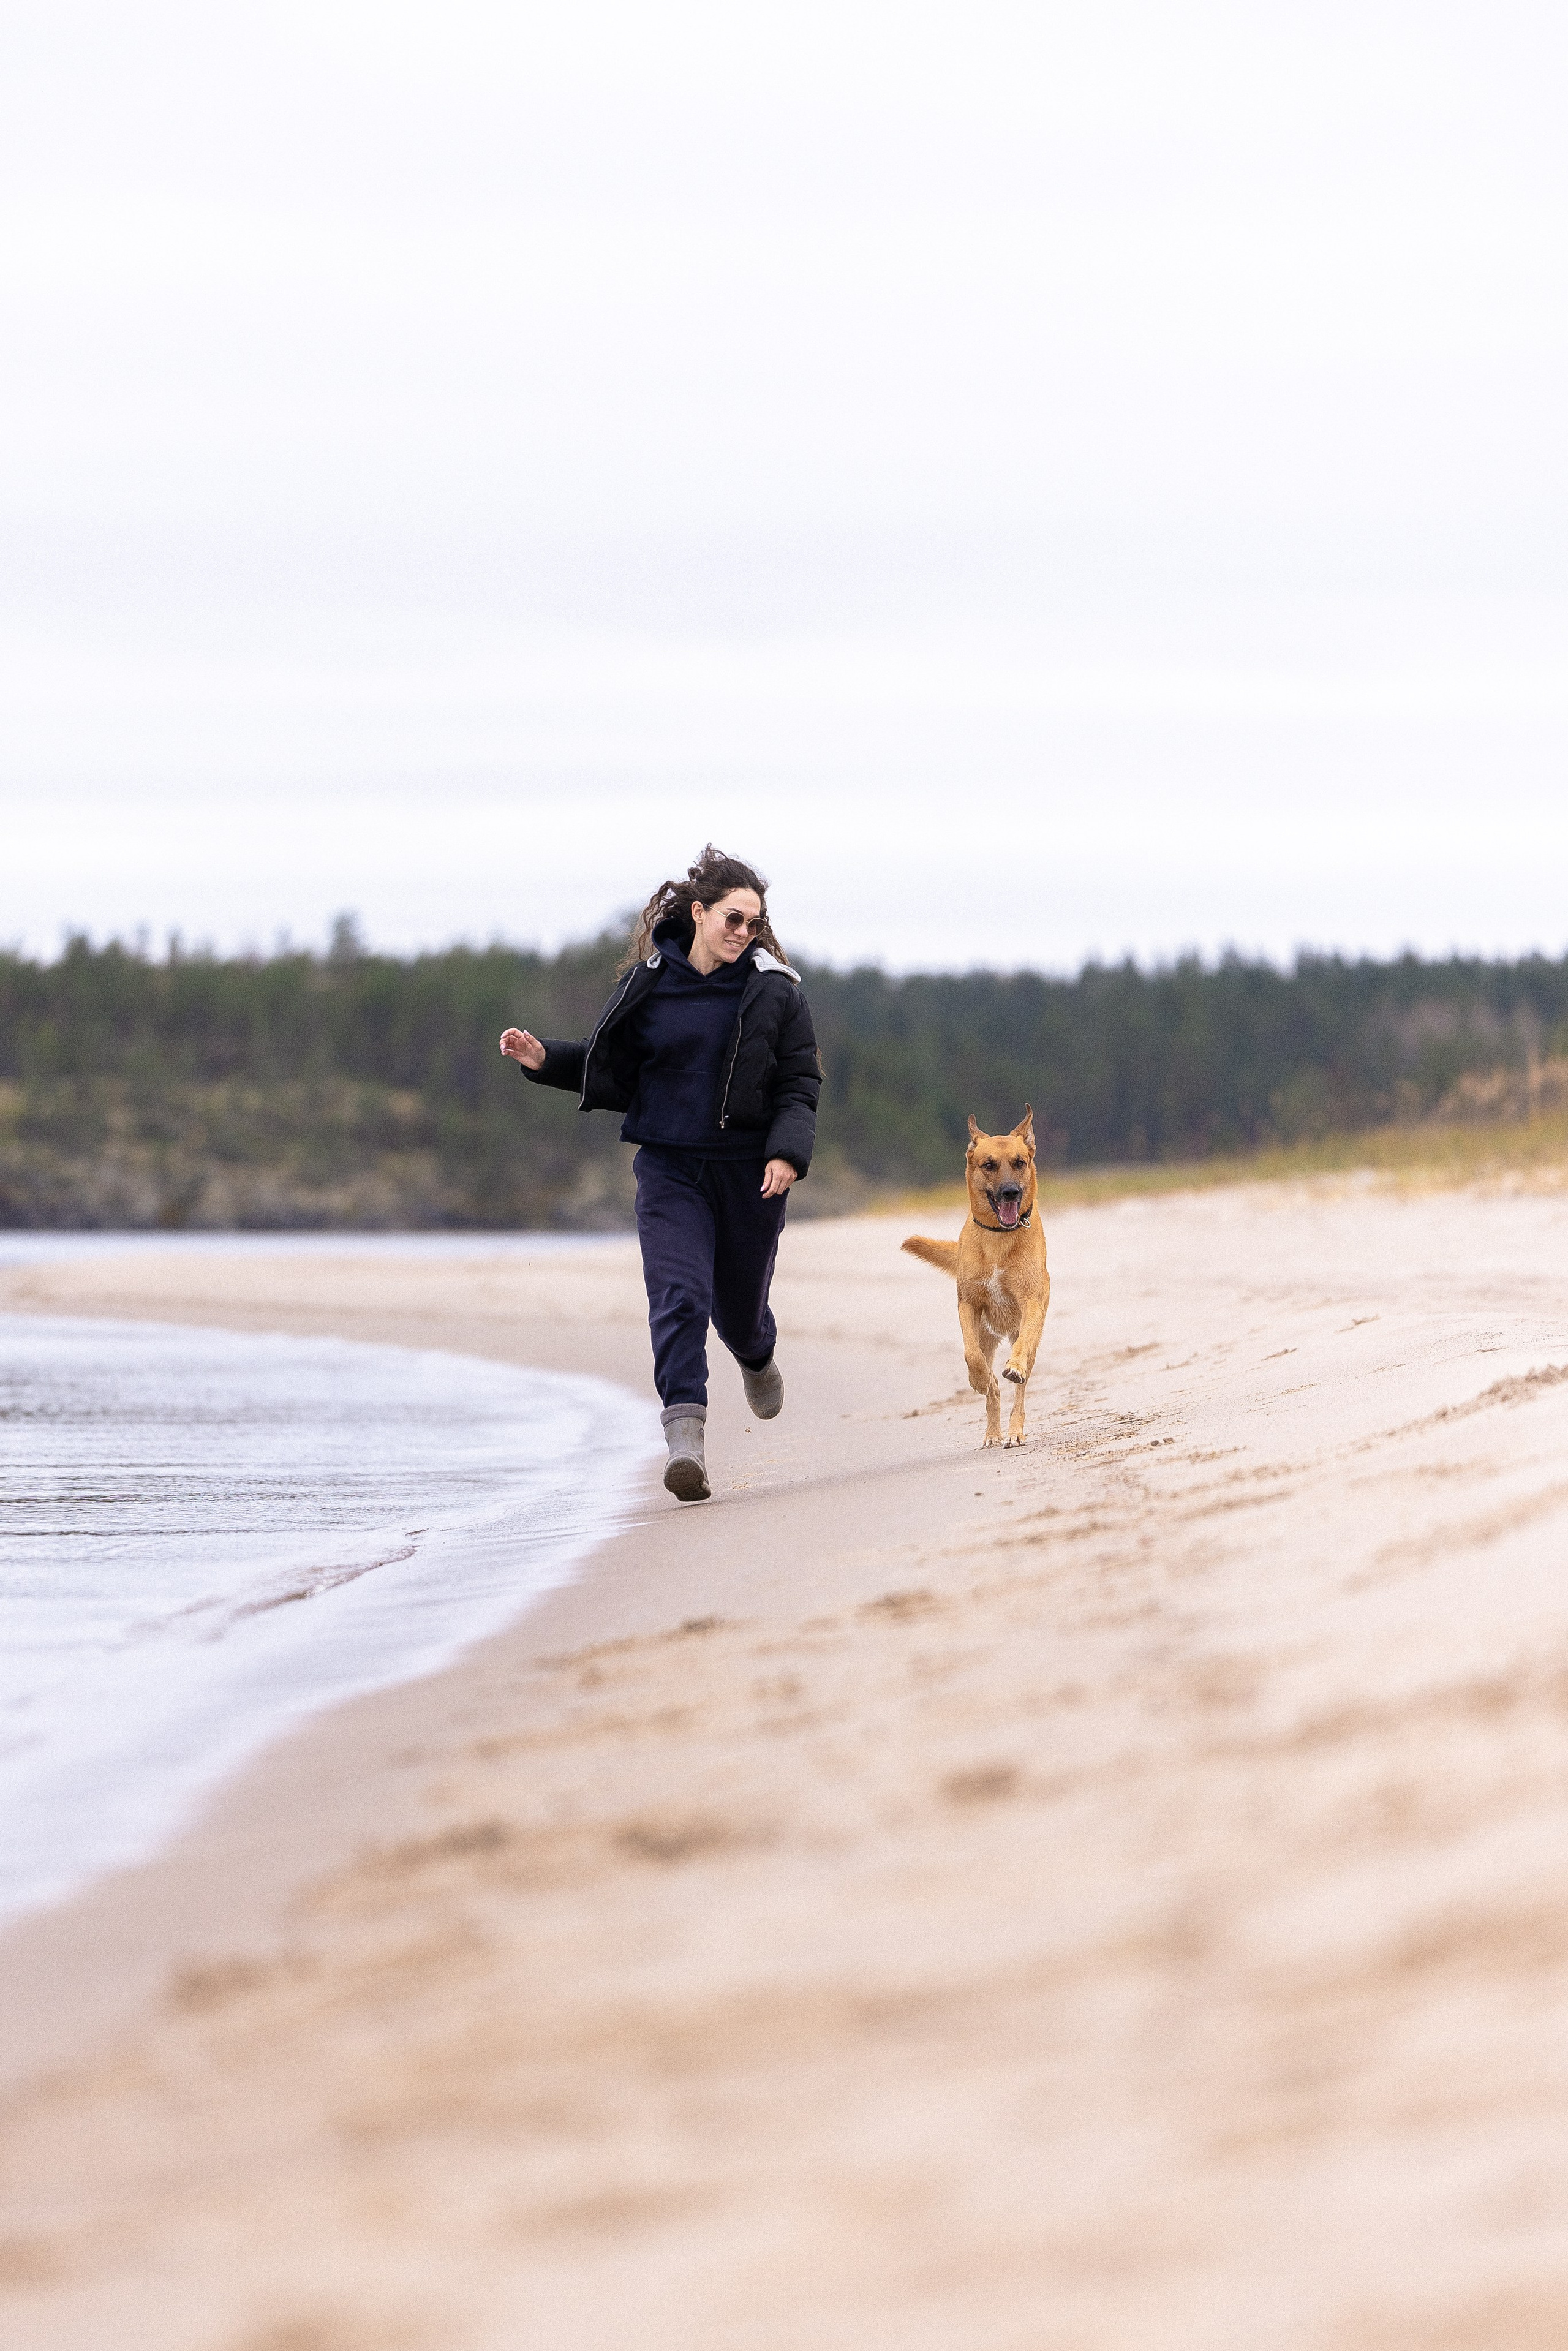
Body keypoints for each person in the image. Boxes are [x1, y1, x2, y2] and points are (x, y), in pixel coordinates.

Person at [500, 845, 820, 1503]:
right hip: (670, 1168)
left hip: (747, 1173)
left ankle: (755, 1350)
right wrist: (544, 1060)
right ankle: (686, 1441)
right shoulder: (649, 983)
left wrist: (787, 1152)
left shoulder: (775, 992)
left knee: (736, 1309)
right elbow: (609, 1069)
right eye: (733, 918)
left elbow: (799, 1083)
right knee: (679, 1298)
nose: (743, 932)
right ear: (699, 914)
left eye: (753, 923)